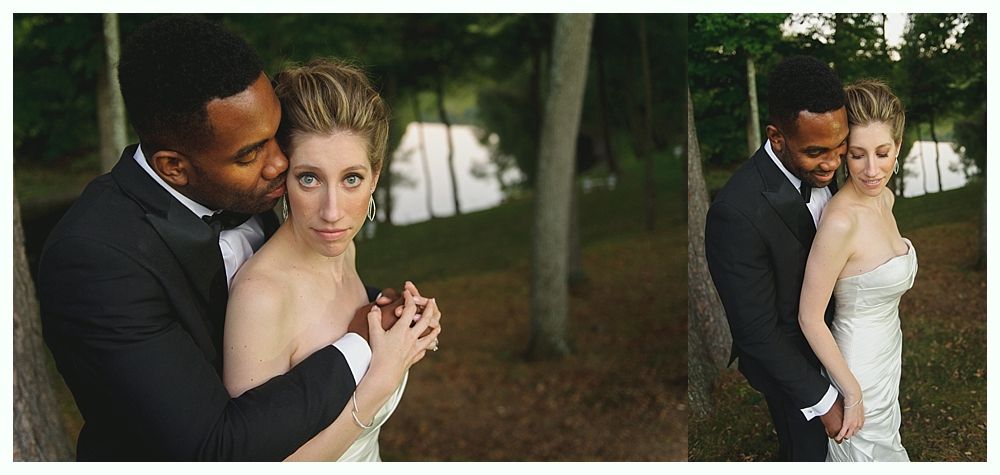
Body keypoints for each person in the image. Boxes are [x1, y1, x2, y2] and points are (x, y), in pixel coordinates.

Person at [36, 15, 417, 460]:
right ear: (174, 167)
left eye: (275, 135)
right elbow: (214, 449)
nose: (280, 163)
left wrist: (380, 307)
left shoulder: (238, 181)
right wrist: (359, 346)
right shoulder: (95, 260)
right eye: (252, 152)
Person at [223, 58, 441, 461]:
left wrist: (401, 325)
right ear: (282, 177)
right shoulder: (262, 298)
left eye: (351, 179)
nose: (332, 212)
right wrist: (379, 382)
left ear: (375, 176)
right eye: (310, 178)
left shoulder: (344, 249)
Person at [704, 55, 848, 461]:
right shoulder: (735, 212)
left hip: (843, 343)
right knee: (807, 456)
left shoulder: (827, 163)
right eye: (818, 152)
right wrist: (822, 401)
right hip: (790, 362)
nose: (833, 163)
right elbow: (756, 331)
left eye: (840, 147)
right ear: (777, 136)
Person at [798, 79, 914, 462]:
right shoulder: (840, 222)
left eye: (882, 153)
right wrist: (850, 391)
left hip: (887, 354)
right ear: (844, 154)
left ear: (897, 147)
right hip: (856, 366)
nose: (871, 170)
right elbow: (810, 317)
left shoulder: (887, 199)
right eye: (857, 155)